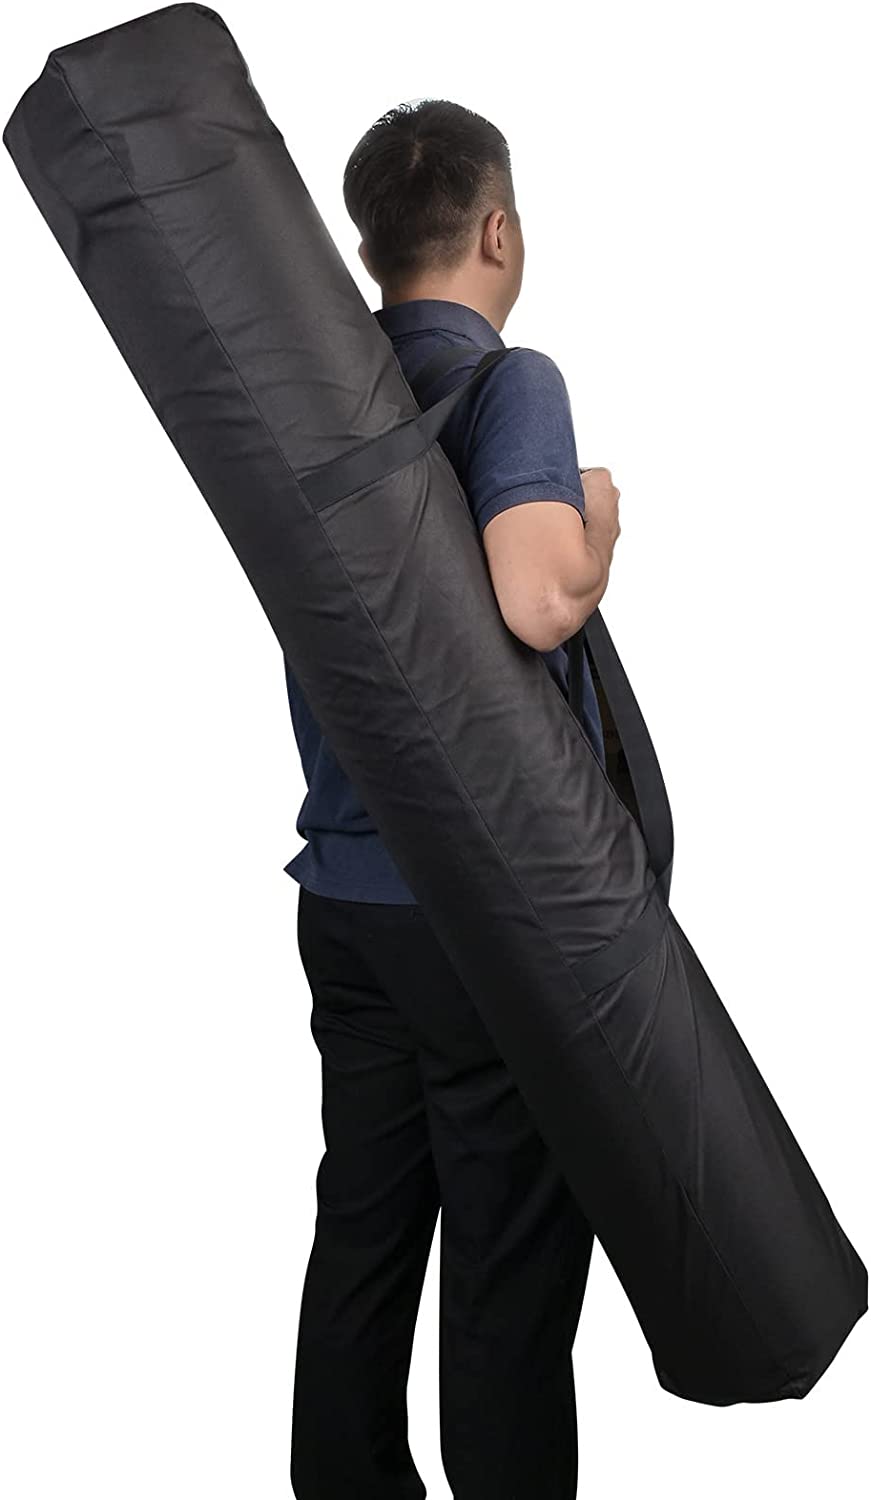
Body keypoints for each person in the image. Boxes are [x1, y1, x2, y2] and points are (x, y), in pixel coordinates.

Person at [287, 99, 621, 1500]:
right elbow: (538, 598)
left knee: (363, 1242)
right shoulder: (508, 382)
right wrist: (598, 519)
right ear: (497, 231)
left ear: (371, 246)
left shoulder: (309, 394)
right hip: (483, 917)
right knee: (506, 1273)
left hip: (344, 900)